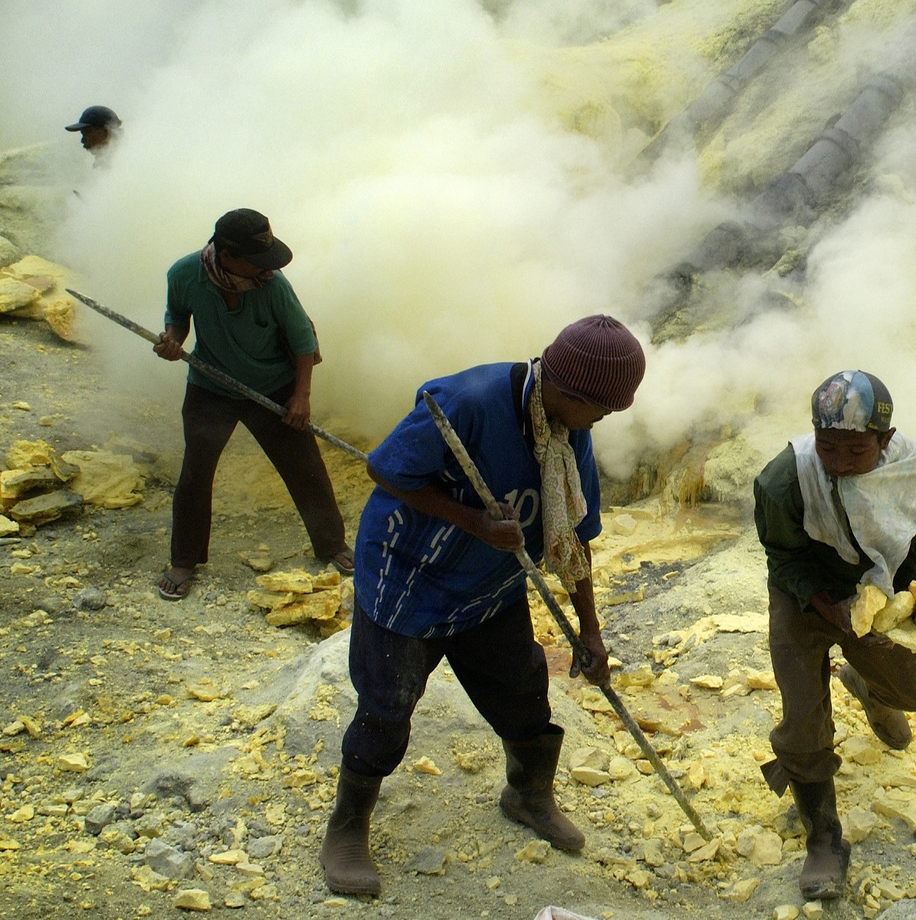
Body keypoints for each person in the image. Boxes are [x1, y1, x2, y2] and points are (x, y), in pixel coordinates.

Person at [319, 315, 646, 897]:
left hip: (487, 590)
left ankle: (527, 795)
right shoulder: (466, 402)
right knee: (387, 707)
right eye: (603, 409)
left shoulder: (566, 434)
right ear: (570, 391)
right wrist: (470, 519)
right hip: (409, 583)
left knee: (523, 694)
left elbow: (574, 533)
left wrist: (589, 632)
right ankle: (347, 827)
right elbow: (384, 468)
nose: (605, 420)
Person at [754, 370, 916, 899]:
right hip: (804, 597)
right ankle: (824, 839)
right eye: (827, 446)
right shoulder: (785, 479)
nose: (836, 462)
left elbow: (909, 535)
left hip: (874, 590)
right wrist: (825, 605)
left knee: (914, 688)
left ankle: (870, 688)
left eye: (854, 451)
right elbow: (781, 555)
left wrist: (909, 600)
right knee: (804, 715)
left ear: (884, 441)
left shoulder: (906, 468)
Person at [153, 208, 350, 599]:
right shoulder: (183, 274)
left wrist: (301, 397)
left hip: (273, 387)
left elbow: (304, 343)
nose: (266, 269)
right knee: (195, 473)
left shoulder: (273, 287)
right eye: (256, 262)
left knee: (304, 467)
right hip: (212, 387)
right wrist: (172, 341)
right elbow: (177, 318)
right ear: (226, 256)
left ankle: (332, 545)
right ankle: (183, 560)